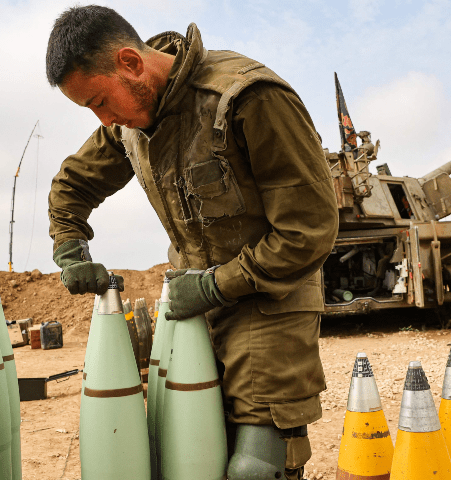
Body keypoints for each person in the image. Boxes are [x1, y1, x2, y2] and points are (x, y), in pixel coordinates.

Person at [45, 6, 338, 479]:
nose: (104, 118)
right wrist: (69, 245)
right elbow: (72, 186)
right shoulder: (130, 122)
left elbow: (308, 232)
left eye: (100, 101)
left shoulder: (247, 98)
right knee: (185, 454)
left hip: (269, 304)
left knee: (254, 467)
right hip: (191, 309)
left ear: (131, 63)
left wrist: (214, 286)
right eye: (91, 109)